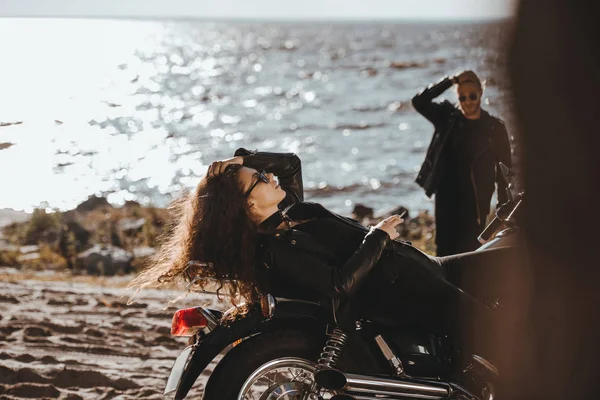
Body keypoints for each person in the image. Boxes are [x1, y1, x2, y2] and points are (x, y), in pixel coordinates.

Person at [130, 148, 514, 361]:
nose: (269, 178)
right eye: (259, 181)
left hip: (422, 268)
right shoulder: (273, 250)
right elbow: (338, 285)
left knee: (515, 259)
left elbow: (290, 163)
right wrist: (378, 236)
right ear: (247, 209)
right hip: (409, 292)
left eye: (262, 174)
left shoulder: (289, 215)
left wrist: (241, 161)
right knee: (508, 342)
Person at [412, 71, 512, 256]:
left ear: (481, 93)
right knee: (444, 251)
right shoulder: (447, 118)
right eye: (462, 97)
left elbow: (504, 171)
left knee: (470, 252)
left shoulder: (494, 128)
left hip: (476, 201)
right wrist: (449, 81)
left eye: (472, 96)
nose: (468, 102)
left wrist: (503, 206)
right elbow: (419, 102)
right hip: (446, 197)